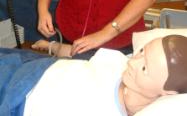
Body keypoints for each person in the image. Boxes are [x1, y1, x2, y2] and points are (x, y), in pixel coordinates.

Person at [24, 35, 187, 116]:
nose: (132, 62)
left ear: (168, 92)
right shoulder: (117, 59)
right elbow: (77, 54)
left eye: (145, 68)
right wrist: (51, 46)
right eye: (142, 51)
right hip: (35, 65)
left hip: (18, 99)